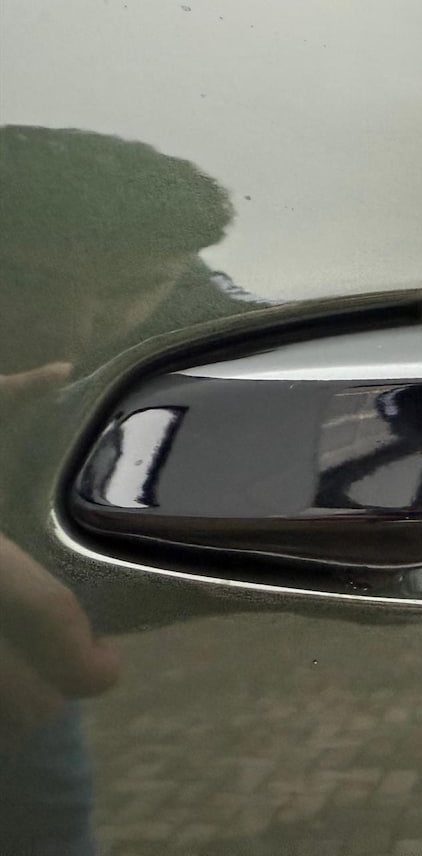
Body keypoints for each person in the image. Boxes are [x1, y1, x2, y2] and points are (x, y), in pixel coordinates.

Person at [0, 125, 253, 853]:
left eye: (130, 289)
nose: (72, 328)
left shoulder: (196, 305)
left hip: (33, 662)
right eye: (22, 283)